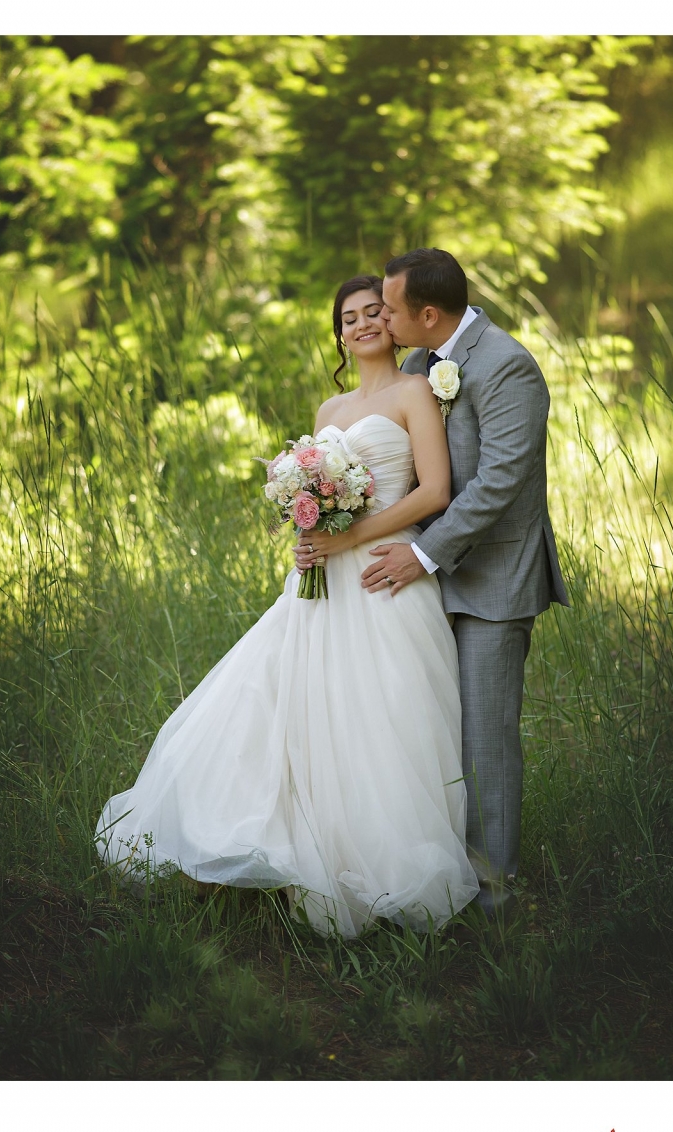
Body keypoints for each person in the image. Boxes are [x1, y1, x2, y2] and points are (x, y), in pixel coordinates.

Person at [95, 275, 480, 938]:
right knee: (291, 704)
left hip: (385, 574)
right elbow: (317, 495)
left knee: (382, 714)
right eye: (349, 318)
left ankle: (378, 861)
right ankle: (274, 841)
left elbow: (435, 492)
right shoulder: (330, 408)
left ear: (393, 323)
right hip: (319, 581)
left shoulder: (415, 391)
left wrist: (349, 537)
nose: (363, 323)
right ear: (339, 335)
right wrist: (307, 533)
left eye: (373, 312)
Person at [348, 248, 570, 915]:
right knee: (431, 726)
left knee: (485, 735)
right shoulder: (422, 365)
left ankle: (493, 891)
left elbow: (499, 482)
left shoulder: (507, 365)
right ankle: (439, 867)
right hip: (432, 577)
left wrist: (421, 554)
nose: (381, 320)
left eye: (388, 309)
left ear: (426, 314)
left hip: (494, 578)